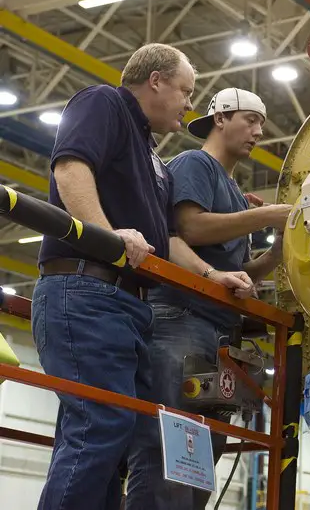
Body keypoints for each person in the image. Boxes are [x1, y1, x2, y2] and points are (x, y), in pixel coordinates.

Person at [31, 44, 255, 510]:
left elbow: (169, 238)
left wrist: (213, 272)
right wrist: (108, 236)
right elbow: (70, 168)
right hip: (86, 288)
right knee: (102, 425)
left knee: (114, 436)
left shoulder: (152, 155)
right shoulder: (103, 103)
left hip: (126, 303)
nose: (190, 104)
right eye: (185, 91)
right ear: (155, 80)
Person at [125, 88, 291, 510]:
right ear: (220, 118)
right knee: (170, 452)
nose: (258, 132)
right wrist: (269, 215)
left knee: (198, 460)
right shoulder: (195, 164)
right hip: (182, 319)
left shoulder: (233, 192)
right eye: (250, 120)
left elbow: (238, 275)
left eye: (262, 124)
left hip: (217, 334)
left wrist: (275, 254)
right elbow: (188, 229)